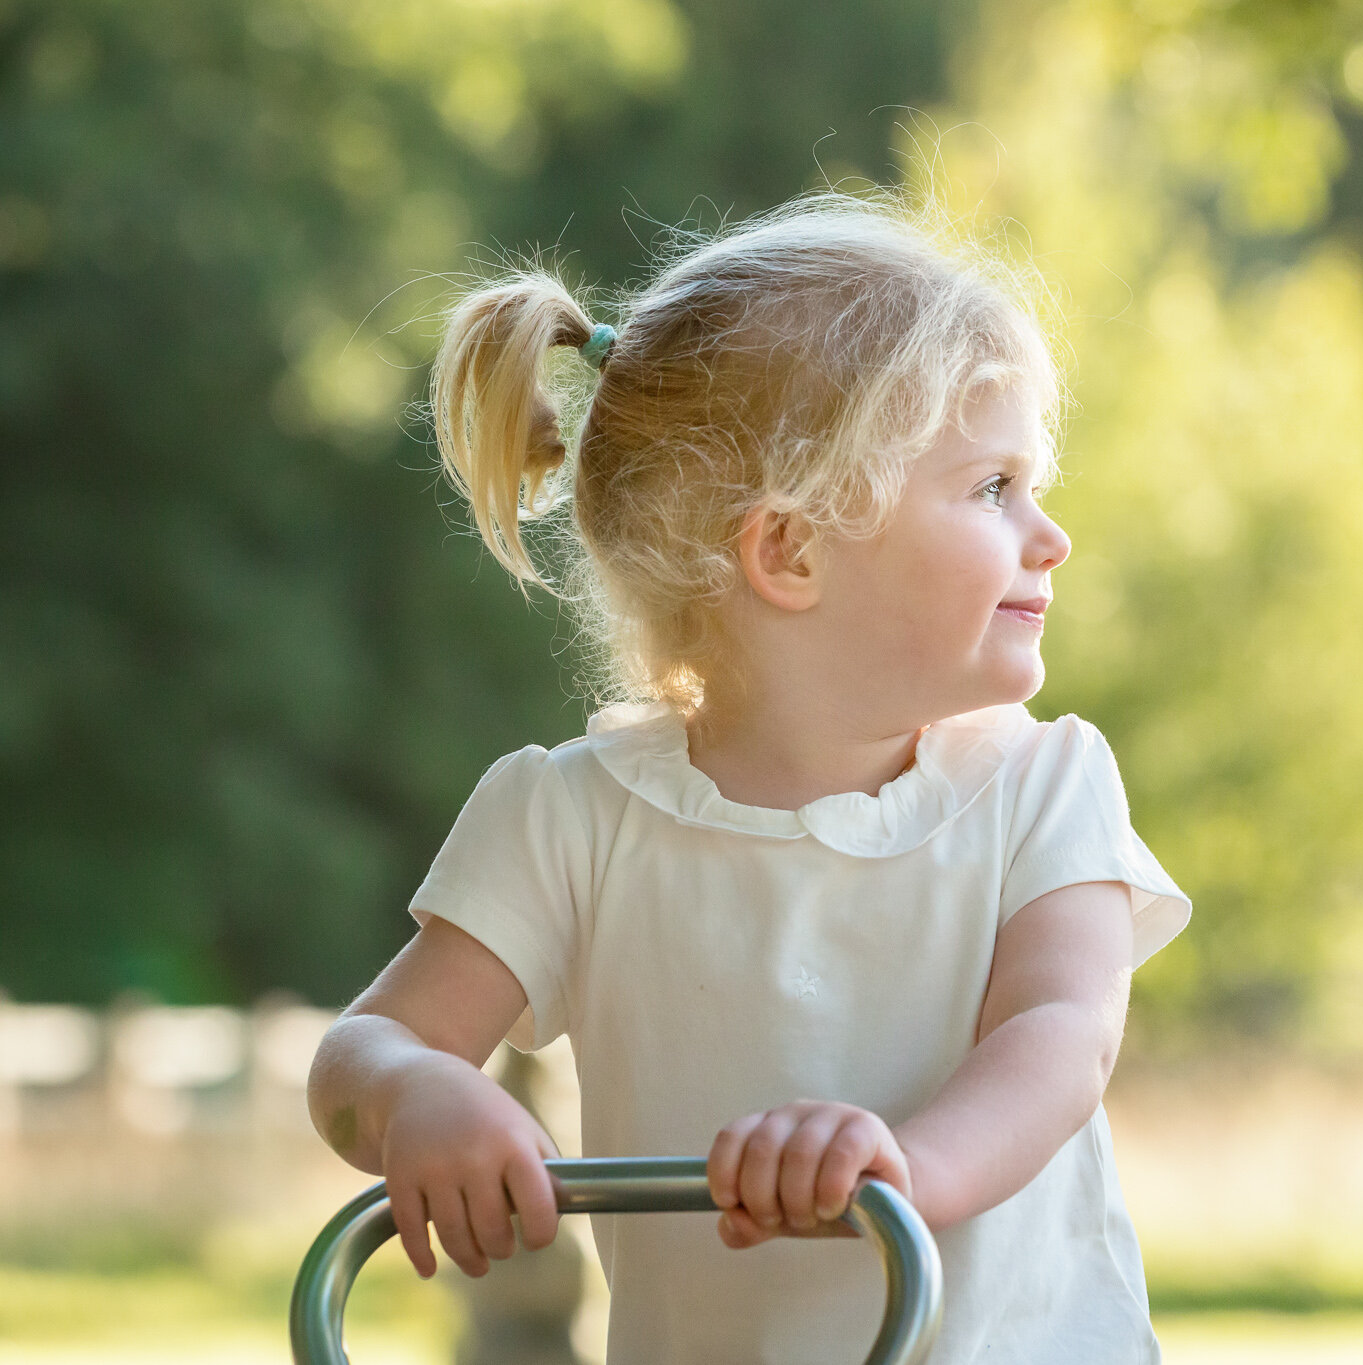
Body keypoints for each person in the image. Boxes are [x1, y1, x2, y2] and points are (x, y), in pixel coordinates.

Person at [305, 192, 1191, 1363]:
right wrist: (417, 1091)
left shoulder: (1041, 788)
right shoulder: (572, 817)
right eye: (991, 489)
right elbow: (358, 1059)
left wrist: (900, 1174)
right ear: (792, 550)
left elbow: (1059, 1033)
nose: (1050, 535)